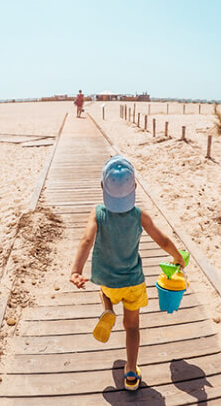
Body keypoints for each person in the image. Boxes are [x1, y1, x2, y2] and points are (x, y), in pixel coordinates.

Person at [70, 156, 185, 391]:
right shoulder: (139, 215)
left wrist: (76, 270)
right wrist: (177, 257)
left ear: (102, 186)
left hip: (108, 281)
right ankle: (131, 372)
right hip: (133, 282)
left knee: (104, 290)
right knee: (132, 327)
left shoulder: (97, 214)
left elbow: (86, 240)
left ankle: (108, 309)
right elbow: (162, 240)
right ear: (134, 187)